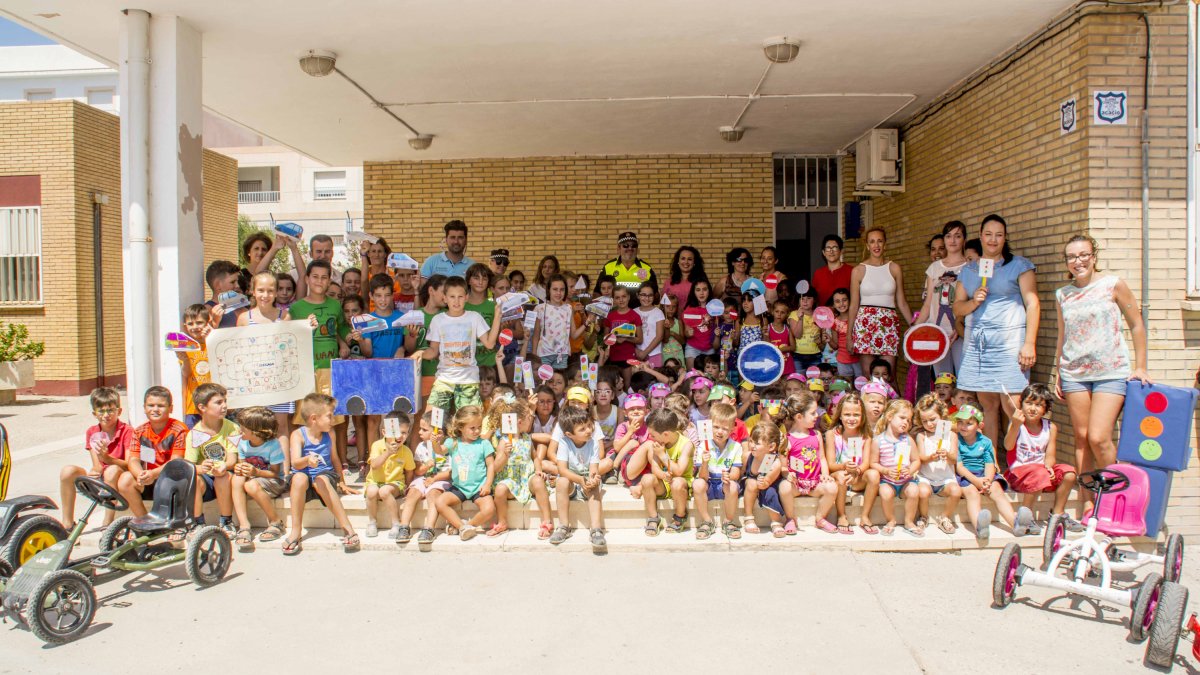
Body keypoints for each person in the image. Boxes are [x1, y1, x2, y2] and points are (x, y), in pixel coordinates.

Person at [1053, 233, 1149, 514]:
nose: (1078, 261)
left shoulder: (1112, 284)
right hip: (1074, 373)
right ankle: (1087, 501)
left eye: (1083, 255)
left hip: (1110, 371)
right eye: (1072, 256)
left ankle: (1118, 497)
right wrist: (1059, 371)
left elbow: (1137, 325)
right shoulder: (1063, 294)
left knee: (1098, 437)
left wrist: (1141, 366)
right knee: (1081, 438)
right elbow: (1063, 335)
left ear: (1093, 256)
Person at [953, 214, 1040, 452]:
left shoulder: (1019, 266)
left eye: (999, 235)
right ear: (980, 236)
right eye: (988, 234)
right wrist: (974, 303)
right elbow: (957, 307)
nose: (993, 240)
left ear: (1005, 238)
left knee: (1013, 405)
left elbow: (1033, 304)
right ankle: (994, 466)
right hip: (979, 343)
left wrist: (1029, 343)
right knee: (987, 405)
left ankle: (1020, 460)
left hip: (1010, 341)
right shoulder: (969, 270)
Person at [288, 260, 355, 469]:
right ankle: (304, 464)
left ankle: (337, 464)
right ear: (307, 279)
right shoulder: (297, 308)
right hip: (307, 372)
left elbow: (339, 329)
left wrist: (346, 339)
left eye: (324, 277)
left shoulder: (335, 305)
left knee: (333, 421)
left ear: (330, 280)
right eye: (315, 277)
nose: (319, 281)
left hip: (330, 370)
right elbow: (288, 337)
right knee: (304, 419)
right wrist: (303, 328)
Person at [283, 393, 359, 554]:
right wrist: (307, 460)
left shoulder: (329, 434)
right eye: (329, 416)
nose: (333, 421)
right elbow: (295, 462)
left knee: (320, 479)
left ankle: (347, 527)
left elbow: (335, 458)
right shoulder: (297, 435)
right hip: (303, 476)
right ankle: (296, 530)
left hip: (323, 477)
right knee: (298, 478)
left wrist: (342, 481)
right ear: (314, 418)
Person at [413, 276, 502, 413]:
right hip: (444, 380)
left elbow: (490, 344)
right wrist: (420, 353)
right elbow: (433, 351)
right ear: (445, 298)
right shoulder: (438, 320)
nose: (456, 301)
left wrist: (497, 316)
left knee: (469, 423)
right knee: (432, 420)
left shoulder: (474, 317)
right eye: (452, 296)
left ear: (466, 297)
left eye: (460, 296)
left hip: (468, 380)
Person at [1004, 384, 1081, 532]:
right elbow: (1008, 446)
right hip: (1018, 474)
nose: (1032, 408)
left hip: (1042, 472)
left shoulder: (1050, 427)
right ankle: (1026, 515)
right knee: (1039, 475)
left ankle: (1058, 514)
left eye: (1039, 405)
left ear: (1045, 409)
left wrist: (1048, 467)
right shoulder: (1016, 424)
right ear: (1021, 404)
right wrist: (1014, 425)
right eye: (1029, 403)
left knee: (1070, 473)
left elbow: (1050, 455)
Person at [953, 404, 1034, 541]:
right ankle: (980, 526)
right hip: (966, 475)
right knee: (972, 494)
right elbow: (959, 467)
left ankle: (1015, 523)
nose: (963, 426)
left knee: (997, 491)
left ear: (980, 425)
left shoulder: (985, 442)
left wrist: (987, 481)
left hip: (984, 474)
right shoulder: (956, 440)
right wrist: (976, 481)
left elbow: (990, 465)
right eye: (960, 422)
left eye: (969, 423)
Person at [60, 387, 130, 528]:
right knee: (68, 471)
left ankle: (108, 522)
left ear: (119, 411)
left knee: (112, 470)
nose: (106, 415)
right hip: (103, 476)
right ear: (95, 414)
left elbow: (128, 464)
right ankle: (67, 524)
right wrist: (95, 471)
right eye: (101, 411)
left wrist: (107, 458)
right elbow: (97, 465)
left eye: (110, 410)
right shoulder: (92, 432)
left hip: (119, 474)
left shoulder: (127, 431)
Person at [848, 227, 913, 377]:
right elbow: (853, 305)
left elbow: (902, 302)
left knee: (889, 374)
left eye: (879, 241)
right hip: (865, 323)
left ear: (885, 244)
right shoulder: (858, 270)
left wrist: (914, 327)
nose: (876, 245)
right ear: (867, 245)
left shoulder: (895, 268)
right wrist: (850, 336)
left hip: (888, 323)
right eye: (872, 242)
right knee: (868, 374)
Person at [237, 271, 297, 433]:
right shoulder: (244, 318)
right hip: (254, 383)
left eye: (270, 291)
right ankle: (257, 459)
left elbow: (290, 347)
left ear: (276, 292)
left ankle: (284, 460)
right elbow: (238, 351)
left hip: (279, 381)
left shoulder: (284, 316)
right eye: (261, 290)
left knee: (281, 425)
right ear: (252, 291)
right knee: (254, 425)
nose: (266, 295)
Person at [117, 387, 187, 519]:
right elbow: (133, 460)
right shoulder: (139, 431)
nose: (155, 409)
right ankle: (143, 520)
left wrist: (153, 474)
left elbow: (176, 461)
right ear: (144, 408)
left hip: (171, 478)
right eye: (151, 405)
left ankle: (174, 521)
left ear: (170, 408)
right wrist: (140, 475)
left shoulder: (179, 429)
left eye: (161, 406)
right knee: (125, 480)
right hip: (148, 480)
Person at [488, 397, 552, 538]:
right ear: (519, 422)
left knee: (538, 482)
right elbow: (496, 467)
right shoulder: (503, 442)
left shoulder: (527, 438)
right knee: (499, 489)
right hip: (510, 480)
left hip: (526, 478)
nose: (531, 421)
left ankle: (547, 521)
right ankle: (502, 521)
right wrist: (505, 454)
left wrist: (539, 470)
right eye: (530, 418)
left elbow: (535, 457)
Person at [431, 406, 496, 544]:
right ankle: (461, 527)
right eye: (472, 428)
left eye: (479, 427)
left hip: (479, 487)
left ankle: (468, 525)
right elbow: (439, 451)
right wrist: (434, 442)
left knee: (489, 509)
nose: (477, 431)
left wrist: (488, 484)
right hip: (459, 487)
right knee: (440, 502)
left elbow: (491, 465)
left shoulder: (484, 443)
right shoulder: (453, 442)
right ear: (460, 427)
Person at [547, 406, 607, 552]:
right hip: (572, 481)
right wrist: (580, 480)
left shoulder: (592, 442)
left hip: (586, 478)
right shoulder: (564, 442)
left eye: (589, 425)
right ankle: (563, 526)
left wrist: (593, 478)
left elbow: (594, 468)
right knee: (561, 481)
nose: (588, 430)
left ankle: (596, 529)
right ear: (569, 434)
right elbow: (562, 469)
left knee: (594, 486)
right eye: (582, 429)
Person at [230, 406, 289, 551]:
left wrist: (256, 472)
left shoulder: (273, 445)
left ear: (256, 431)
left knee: (250, 486)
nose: (239, 431)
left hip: (274, 481)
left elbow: (275, 473)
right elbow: (242, 466)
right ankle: (244, 526)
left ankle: (275, 521)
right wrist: (239, 468)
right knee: (236, 479)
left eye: (243, 428)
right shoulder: (243, 443)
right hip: (254, 479)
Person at [914, 221, 969, 376]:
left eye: (957, 236)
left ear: (964, 239)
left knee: (963, 379)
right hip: (936, 334)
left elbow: (972, 301)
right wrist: (915, 328)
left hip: (960, 333)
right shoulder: (934, 268)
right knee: (942, 380)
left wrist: (960, 327)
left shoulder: (970, 266)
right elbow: (928, 304)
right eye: (948, 236)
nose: (952, 240)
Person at [184, 383, 238, 537]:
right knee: (193, 480)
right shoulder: (195, 434)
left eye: (225, 401)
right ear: (202, 407)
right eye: (218, 402)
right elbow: (189, 466)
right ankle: (197, 523)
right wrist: (202, 468)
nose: (224, 406)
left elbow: (232, 460)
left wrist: (223, 466)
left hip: (226, 476)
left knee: (222, 476)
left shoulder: (232, 428)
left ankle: (226, 521)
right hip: (207, 480)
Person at [823, 393, 880, 534]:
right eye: (847, 414)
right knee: (842, 476)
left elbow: (866, 462)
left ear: (862, 417)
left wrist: (858, 471)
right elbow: (830, 464)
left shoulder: (865, 435)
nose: (851, 419)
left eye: (856, 415)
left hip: (857, 477)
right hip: (839, 475)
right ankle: (841, 515)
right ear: (840, 416)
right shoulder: (832, 434)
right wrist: (844, 467)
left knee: (873, 474)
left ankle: (865, 516)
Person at [784, 393, 838, 535]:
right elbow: (783, 464)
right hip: (796, 484)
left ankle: (820, 518)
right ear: (799, 417)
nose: (817, 416)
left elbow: (822, 458)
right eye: (812, 413)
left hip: (814, 483)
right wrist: (787, 474)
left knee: (832, 488)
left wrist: (825, 475)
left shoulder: (817, 435)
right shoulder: (787, 438)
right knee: (784, 488)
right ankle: (790, 519)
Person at [869, 399, 923, 537]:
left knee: (914, 490)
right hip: (887, 481)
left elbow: (916, 460)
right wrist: (886, 471)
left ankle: (909, 521)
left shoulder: (908, 439)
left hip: (905, 480)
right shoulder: (878, 441)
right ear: (889, 416)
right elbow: (873, 463)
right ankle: (891, 520)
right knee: (886, 494)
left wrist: (910, 470)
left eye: (909, 420)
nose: (906, 422)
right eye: (902, 418)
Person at [691, 402, 743, 540]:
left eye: (725, 428)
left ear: (732, 429)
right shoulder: (704, 445)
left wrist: (729, 476)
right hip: (708, 481)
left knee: (732, 485)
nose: (720, 431)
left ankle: (728, 521)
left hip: (724, 483)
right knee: (697, 484)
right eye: (716, 427)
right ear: (709, 425)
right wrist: (705, 462)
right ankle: (707, 521)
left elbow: (736, 472)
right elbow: (702, 476)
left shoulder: (736, 447)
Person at [912, 393, 961, 535]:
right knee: (923, 492)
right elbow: (921, 457)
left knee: (956, 492)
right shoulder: (922, 436)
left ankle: (944, 517)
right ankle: (924, 516)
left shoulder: (951, 435)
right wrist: (930, 457)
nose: (929, 424)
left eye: (933, 419)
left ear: (942, 416)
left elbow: (954, 459)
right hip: (926, 477)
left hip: (946, 478)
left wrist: (947, 455)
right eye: (925, 421)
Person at [642, 407, 694, 535]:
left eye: (653, 435)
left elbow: (679, 471)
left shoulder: (686, 444)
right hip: (665, 483)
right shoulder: (657, 444)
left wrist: (663, 456)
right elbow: (655, 468)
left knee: (677, 482)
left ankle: (680, 516)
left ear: (665, 434)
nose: (651, 437)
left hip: (682, 484)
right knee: (646, 479)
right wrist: (663, 475)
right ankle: (653, 517)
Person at [363, 412, 415, 538]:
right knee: (371, 491)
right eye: (396, 432)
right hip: (375, 481)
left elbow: (410, 471)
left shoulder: (406, 451)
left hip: (395, 483)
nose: (400, 436)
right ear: (385, 432)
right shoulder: (377, 445)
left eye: (404, 432)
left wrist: (407, 487)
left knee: (385, 491)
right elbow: (374, 465)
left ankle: (396, 523)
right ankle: (372, 522)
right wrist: (387, 453)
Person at [397, 411, 441, 544]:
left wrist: (434, 479)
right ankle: (404, 526)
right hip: (423, 478)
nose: (419, 432)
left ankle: (429, 528)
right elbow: (418, 470)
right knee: (412, 494)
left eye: (424, 429)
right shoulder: (421, 447)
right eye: (419, 429)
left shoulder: (445, 447)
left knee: (433, 495)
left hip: (439, 479)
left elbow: (449, 471)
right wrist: (426, 466)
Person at [740, 421, 787, 536]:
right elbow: (742, 474)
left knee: (770, 492)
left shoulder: (772, 461)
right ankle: (749, 517)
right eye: (751, 441)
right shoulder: (748, 456)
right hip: (751, 485)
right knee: (751, 483)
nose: (752, 446)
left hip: (768, 485)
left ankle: (776, 521)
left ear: (771, 447)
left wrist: (763, 482)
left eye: (757, 443)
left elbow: (766, 482)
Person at [532, 274, 580, 371]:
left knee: (559, 381)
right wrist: (534, 356)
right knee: (544, 383)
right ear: (548, 290)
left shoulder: (568, 308)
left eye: (562, 289)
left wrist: (587, 322)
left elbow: (574, 335)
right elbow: (536, 336)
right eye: (555, 289)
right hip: (543, 354)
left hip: (561, 355)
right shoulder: (539, 308)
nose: (558, 293)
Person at [177, 304, 213, 428]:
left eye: (199, 322)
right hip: (192, 407)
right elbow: (186, 374)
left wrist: (211, 336)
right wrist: (185, 359)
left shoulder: (214, 343)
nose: (195, 327)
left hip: (213, 404)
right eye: (191, 324)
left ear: (207, 323)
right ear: (185, 327)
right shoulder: (185, 347)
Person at [464, 263, 499, 376]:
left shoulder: (494, 306)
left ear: (488, 282)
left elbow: (496, 336)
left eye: (484, 278)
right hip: (466, 364)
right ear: (469, 280)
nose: (480, 282)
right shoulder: (460, 305)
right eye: (476, 277)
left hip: (490, 363)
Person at [203, 259, 246, 329]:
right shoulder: (206, 311)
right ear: (218, 285)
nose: (237, 285)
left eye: (237, 282)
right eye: (232, 282)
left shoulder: (241, 308)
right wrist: (214, 322)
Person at [812, 235, 852, 307]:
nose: (831, 251)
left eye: (835, 248)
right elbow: (814, 299)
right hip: (823, 316)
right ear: (823, 252)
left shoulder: (851, 271)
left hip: (845, 316)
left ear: (841, 251)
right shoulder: (818, 274)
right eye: (828, 248)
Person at [633, 282, 666, 368]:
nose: (647, 298)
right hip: (636, 353)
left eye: (650, 295)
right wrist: (637, 351)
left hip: (654, 353)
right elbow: (630, 335)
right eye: (643, 295)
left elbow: (659, 336)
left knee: (654, 379)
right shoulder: (633, 312)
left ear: (654, 296)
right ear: (638, 295)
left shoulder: (658, 313)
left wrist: (645, 353)